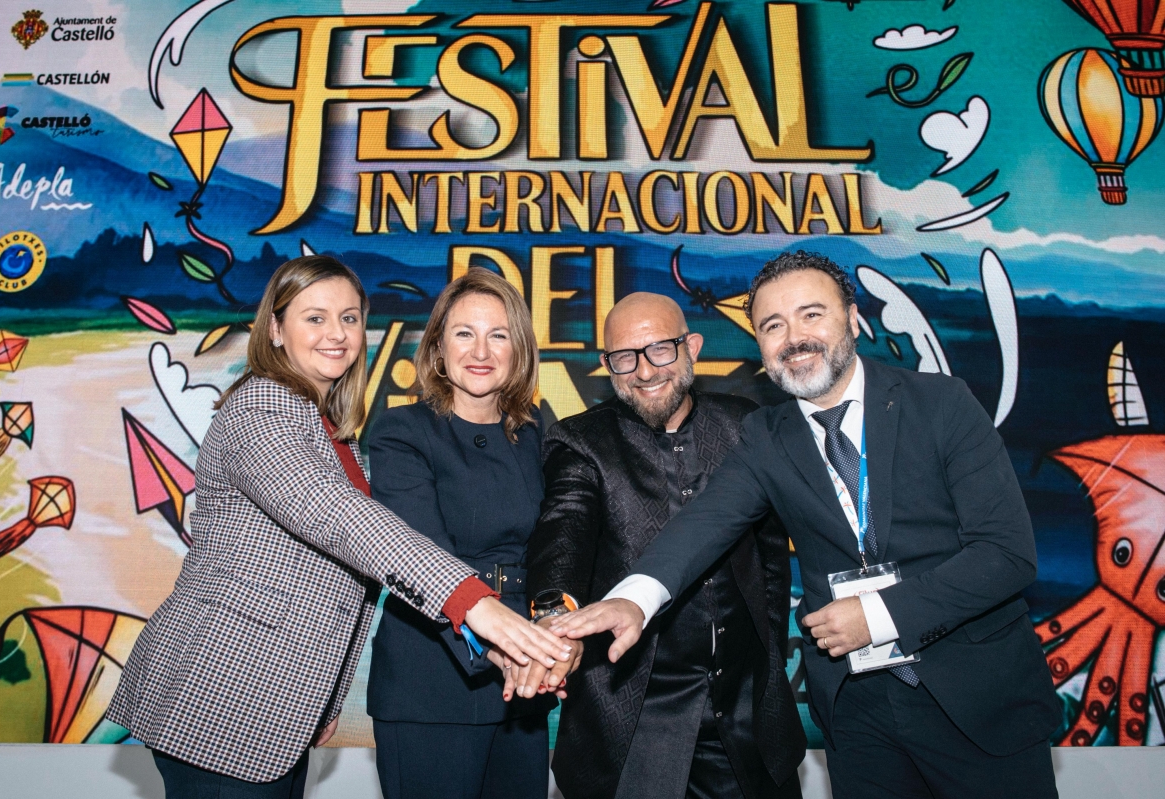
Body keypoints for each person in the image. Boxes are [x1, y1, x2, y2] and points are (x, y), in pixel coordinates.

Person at [552, 252, 1060, 799]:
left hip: (976, 698)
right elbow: (703, 523)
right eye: (773, 325)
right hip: (859, 713)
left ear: (852, 318)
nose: (794, 338)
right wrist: (634, 600)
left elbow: (1007, 553)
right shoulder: (765, 436)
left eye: (811, 315)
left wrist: (879, 615)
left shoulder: (941, 403)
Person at [106, 256, 571, 798]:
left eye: (349, 319)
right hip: (222, 691)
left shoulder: (328, 427)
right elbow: (342, 520)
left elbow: (341, 578)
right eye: (315, 318)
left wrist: (325, 699)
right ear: (275, 329)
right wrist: (474, 603)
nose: (336, 334)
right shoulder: (261, 408)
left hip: (281, 702)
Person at [523, 293, 805, 799]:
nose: (644, 371)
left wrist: (767, 657)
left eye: (660, 349)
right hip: (635, 727)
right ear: (606, 364)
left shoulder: (744, 425)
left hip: (750, 722)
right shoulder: (582, 442)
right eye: (624, 357)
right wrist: (552, 617)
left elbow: (771, 560)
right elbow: (561, 538)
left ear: (691, 347)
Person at [367, 267, 582, 799]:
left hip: (523, 683)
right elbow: (420, 555)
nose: (480, 351)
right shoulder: (401, 431)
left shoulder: (541, 434)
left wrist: (553, 633)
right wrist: (500, 647)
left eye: (498, 334)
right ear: (438, 347)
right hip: (432, 682)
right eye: (464, 333)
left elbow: (560, 547)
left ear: (519, 350)